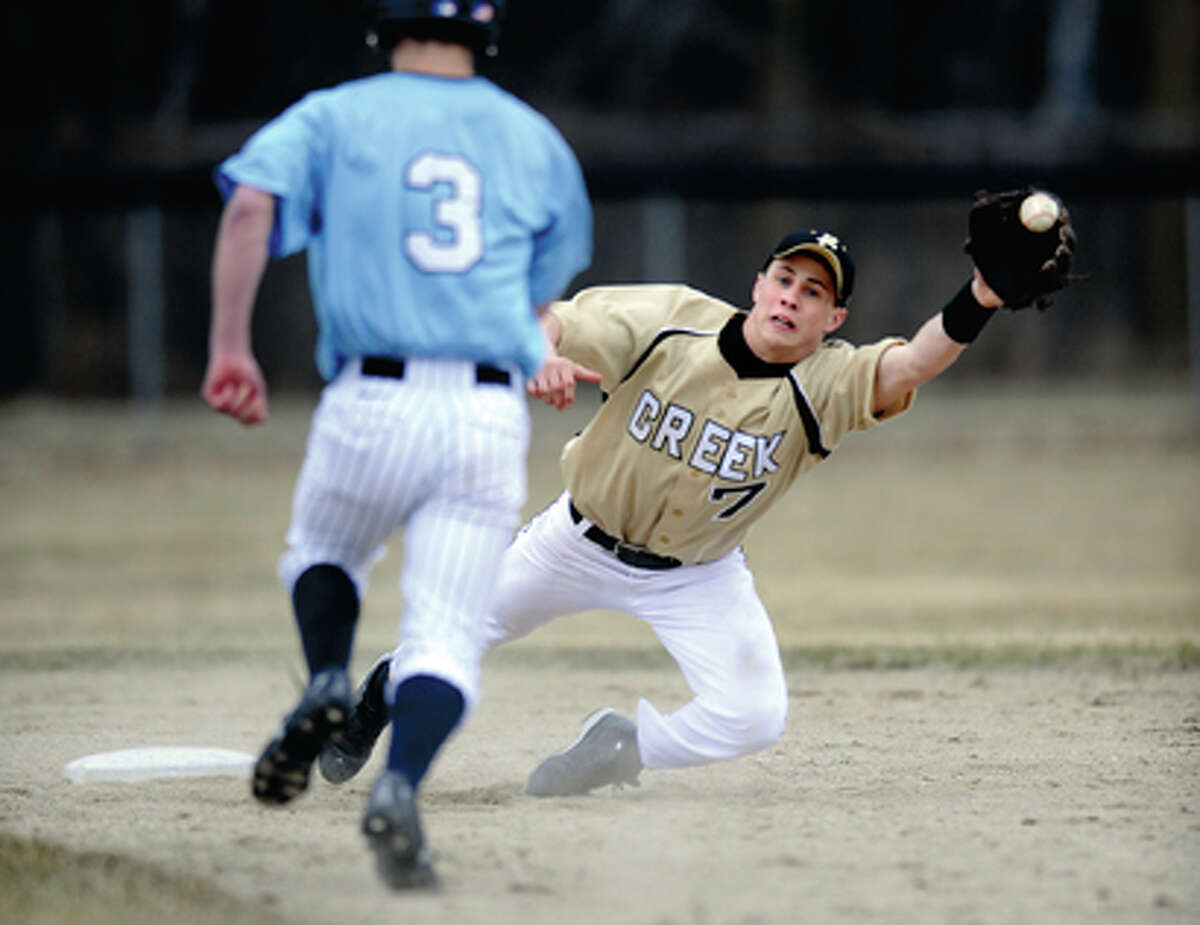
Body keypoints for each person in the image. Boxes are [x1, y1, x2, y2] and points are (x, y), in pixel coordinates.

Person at [318, 194, 1075, 798]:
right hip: (573, 541)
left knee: (754, 716)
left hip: (698, 573)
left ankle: (620, 746)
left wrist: (979, 297)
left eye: (814, 293)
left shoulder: (827, 384)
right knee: (444, 641)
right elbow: (556, 316)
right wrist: (541, 352)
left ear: (833, 320)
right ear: (758, 283)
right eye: (784, 279)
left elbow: (911, 362)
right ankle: (383, 689)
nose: (792, 298)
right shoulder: (672, 320)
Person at [201, 0, 592, 889]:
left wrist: (230, 345)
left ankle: (330, 676)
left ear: (386, 24)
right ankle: (402, 785)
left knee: (327, 548)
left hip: (369, 393)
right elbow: (540, 293)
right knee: (446, 637)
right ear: (486, 33)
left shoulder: (334, 114)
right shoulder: (534, 138)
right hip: (487, 412)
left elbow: (250, 206)